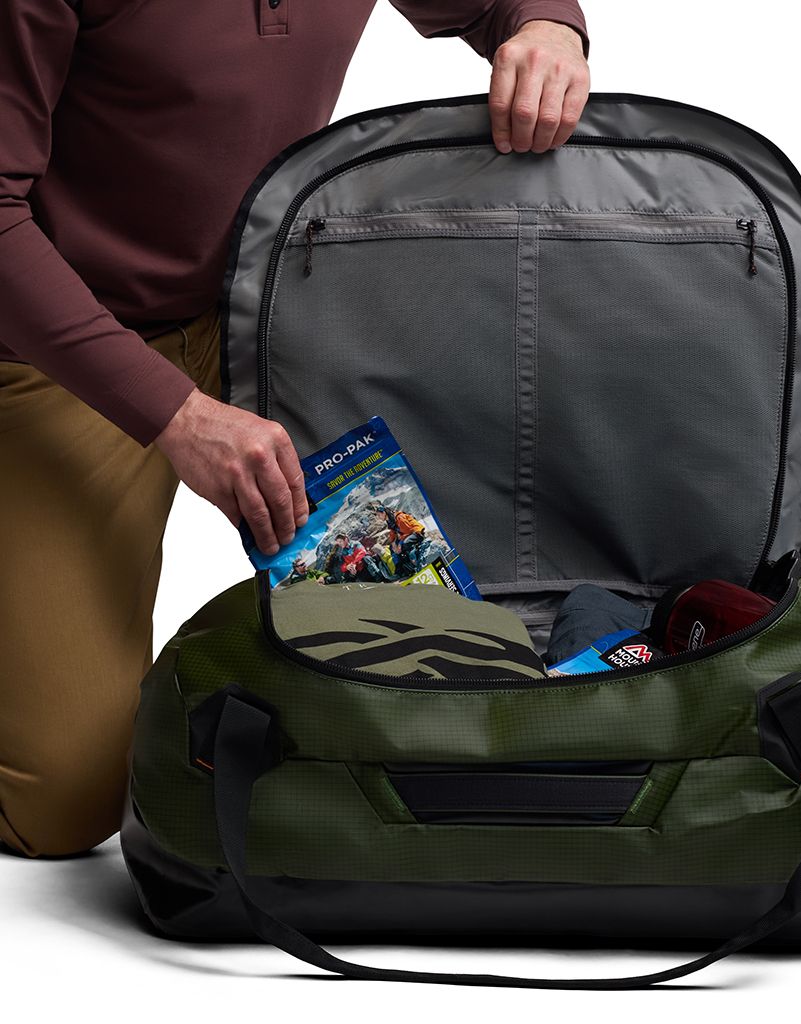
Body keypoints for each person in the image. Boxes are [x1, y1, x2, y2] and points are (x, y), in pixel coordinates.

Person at [0, 1, 590, 857]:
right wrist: (178, 415)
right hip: (51, 352)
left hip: (258, 307)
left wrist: (546, 27)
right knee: (63, 806)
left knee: (442, 642)